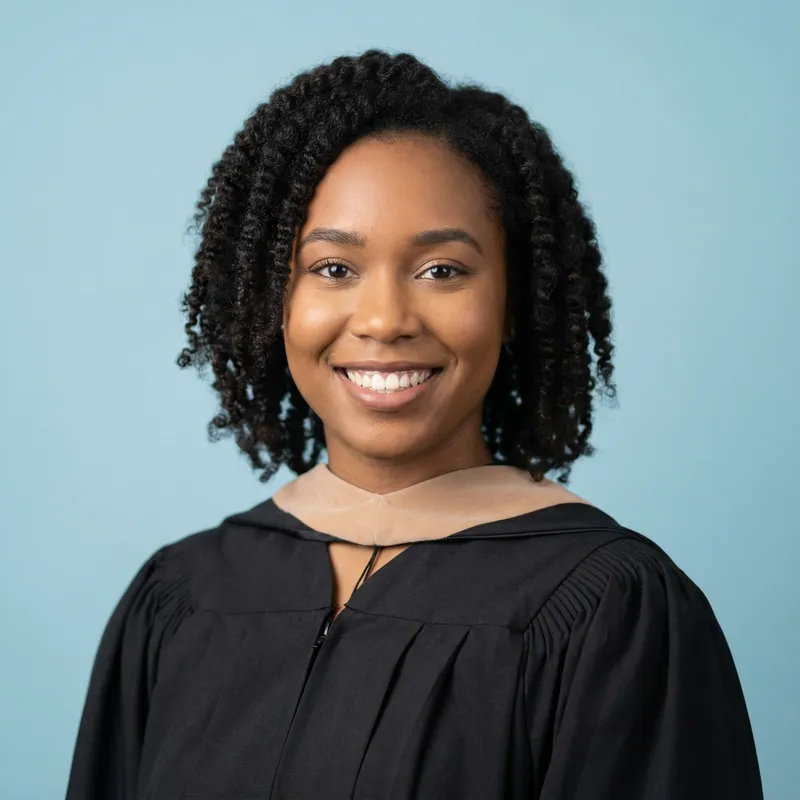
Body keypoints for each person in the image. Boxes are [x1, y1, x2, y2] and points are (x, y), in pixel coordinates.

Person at [65, 49, 763, 799]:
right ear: (273, 299)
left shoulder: (610, 611)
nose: (385, 320)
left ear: (514, 302)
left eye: (442, 271)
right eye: (333, 268)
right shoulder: (180, 596)